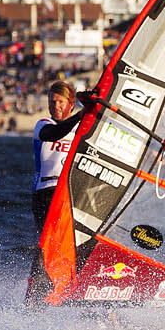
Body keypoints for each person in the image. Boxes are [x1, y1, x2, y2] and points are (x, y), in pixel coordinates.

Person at [31, 80, 92, 234]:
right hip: (45, 192)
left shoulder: (81, 129)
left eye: (60, 102)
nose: (56, 106)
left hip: (70, 191)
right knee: (48, 238)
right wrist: (79, 116)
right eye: (52, 102)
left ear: (71, 104)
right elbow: (54, 134)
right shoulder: (43, 124)